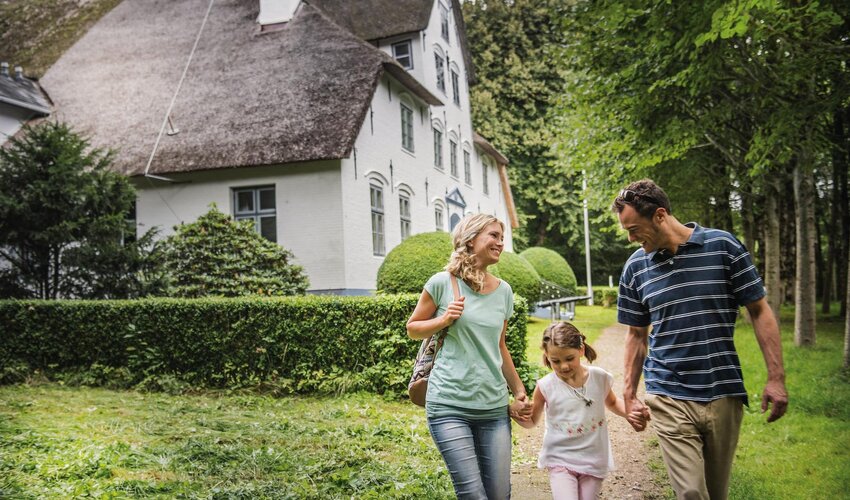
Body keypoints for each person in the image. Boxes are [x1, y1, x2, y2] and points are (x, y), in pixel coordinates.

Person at [612, 179, 788, 500]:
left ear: (660, 215)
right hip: (668, 393)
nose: (631, 238)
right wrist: (629, 394)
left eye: (634, 228)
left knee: (716, 493)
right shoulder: (635, 268)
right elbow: (636, 335)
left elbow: (760, 311)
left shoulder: (723, 247)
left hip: (723, 390)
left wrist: (776, 378)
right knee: (691, 493)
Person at [407, 213, 532, 500]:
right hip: (448, 405)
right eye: (493, 236)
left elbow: (499, 347)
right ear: (471, 239)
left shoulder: (504, 292)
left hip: (493, 409)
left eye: (502, 237)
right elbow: (413, 328)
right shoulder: (441, 282)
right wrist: (442, 320)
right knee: (473, 494)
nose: (500, 243)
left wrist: (519, 390)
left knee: (499, 495)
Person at [515, 321, 634, 500]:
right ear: (547, 356)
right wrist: (513, 413)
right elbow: (532, 421)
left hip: (593, 458)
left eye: (569, 358)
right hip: (560, 459)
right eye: (555, 361)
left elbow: (613, 403)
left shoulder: (599, 377)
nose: (563, 366)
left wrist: (631, 412)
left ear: (581, 350)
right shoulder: (546, 386)